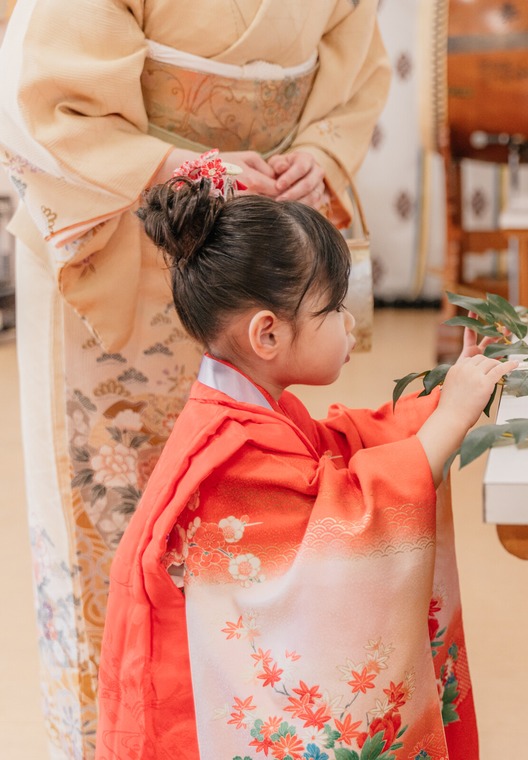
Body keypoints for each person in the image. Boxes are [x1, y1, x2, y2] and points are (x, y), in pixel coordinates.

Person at [0, 1, 391, 754]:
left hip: (254, 253)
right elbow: (47, 94)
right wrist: (191, 170)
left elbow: (355, 71)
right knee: (116, 524)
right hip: (121, 237)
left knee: (245, 515)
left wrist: (319, 155)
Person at [97, 175, 515, 758]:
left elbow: (341, 446)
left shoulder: (244, 407)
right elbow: (350, 518)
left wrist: (446, 398)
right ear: (267, 333)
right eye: (333, 308)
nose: (349, 323)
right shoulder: (230, 458)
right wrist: (449, 420)